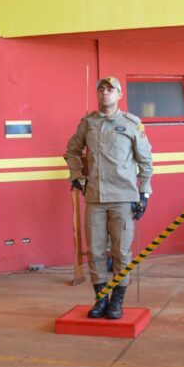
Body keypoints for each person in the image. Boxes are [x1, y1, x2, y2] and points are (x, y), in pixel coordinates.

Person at [64, 76, 153, 320]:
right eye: (101, 89)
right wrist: (78, 177)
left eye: (110, 89)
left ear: (119, 95)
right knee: (94, 251)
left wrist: (144, 193)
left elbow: (145, 161)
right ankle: (101, 299)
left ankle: (117, 301)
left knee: (121, 253)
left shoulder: (132, 123)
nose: (105, 93)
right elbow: (71, 151)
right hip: (94, 198)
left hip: (123, 198)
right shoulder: (88, 123)